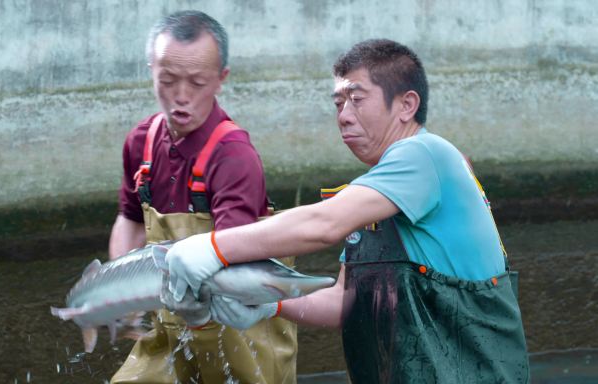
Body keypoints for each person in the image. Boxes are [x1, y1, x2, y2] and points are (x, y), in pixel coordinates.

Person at [165, 39, 530, 383]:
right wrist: (270, 305)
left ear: (407, 105)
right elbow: (345, 302)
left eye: (356, 99)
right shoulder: (380, 189)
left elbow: (323, 223)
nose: (343, 116)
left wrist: (211, 248)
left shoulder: (423, 155)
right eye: (338, 103)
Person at [108, 10, 297, 384]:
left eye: (196, 82)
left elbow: (234, 259)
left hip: (240, 327)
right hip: (169, 323)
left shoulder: (233, 156)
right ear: (151, 70)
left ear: (221, 79)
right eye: (167, 80)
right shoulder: (140, 143)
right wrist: (123, 294)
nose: (181, 96)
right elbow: (129, 222)